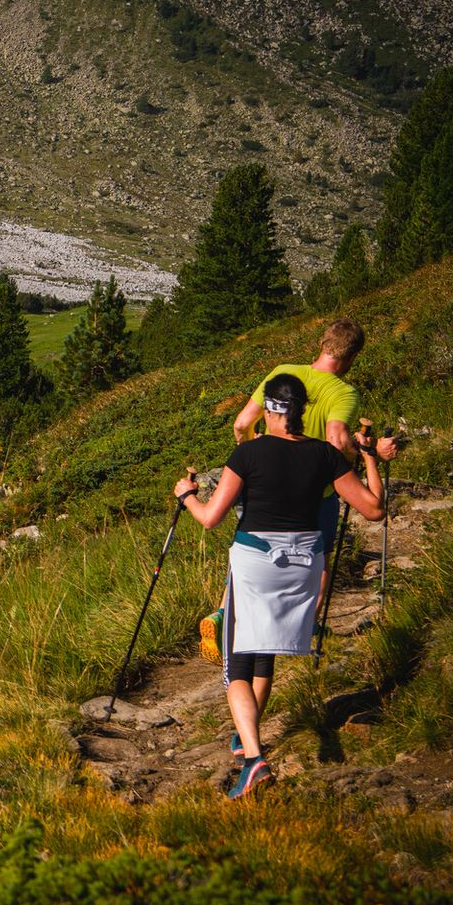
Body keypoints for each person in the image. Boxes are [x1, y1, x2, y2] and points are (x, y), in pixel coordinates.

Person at [173, 373, 385, 799]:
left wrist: (186, 497)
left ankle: (253, 760)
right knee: (264, 652)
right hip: (305, 564)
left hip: (256, 562)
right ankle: (244, 738)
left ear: (269, 410)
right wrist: (369, 459)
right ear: (302, 410)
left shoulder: (248, 453)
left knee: (236, 664)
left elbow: (212, 517)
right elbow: (374, 510)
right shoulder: (326, 455)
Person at [200, 319, 401, 662]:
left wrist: (251, 453)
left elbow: (241, 423)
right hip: (315, 490)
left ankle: (222, 613)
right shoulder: (343, 392)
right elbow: (337, 440)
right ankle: (303, 624)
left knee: (250, 546)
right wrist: (362, 453)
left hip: (260, 479)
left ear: (322, 343)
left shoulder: (283, 373)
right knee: (317, 557)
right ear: (352, 356)